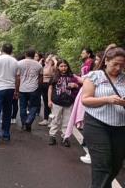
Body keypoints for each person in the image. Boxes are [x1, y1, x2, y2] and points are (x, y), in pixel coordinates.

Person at [82, 47, 125, 188]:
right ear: (106, 61)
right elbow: (86, 100)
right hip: (96, 124)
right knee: (102, 165)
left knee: (116, 164)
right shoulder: (95, 76)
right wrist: (107, 99)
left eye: (122, 65)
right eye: (115, 64)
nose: (118, 68)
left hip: (120, 127)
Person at [48, 59, 80, 147]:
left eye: (65, 66)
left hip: (69, 102)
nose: (63, 68)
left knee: (67, 120)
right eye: (61, 66)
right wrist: (49, 100)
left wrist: (75, 85)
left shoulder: (72, 77)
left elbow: (79, 86)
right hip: (56, 101)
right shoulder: (54, 77)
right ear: (58, 67)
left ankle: (65, 137)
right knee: (55, 119)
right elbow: (50, 89)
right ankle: (52, 136)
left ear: (68, 67)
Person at [17, 48, 43, 132]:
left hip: (22, 88)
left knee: (22, 107)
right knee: (34, 106)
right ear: (33, 54)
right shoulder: (39, 65)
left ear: (25, 54)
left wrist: (16, 89)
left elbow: (17, 77)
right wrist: (38, 87)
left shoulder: (19, 63)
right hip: (34, 88)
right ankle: (29, 121)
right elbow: (40, 78)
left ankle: (24, 123)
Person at [38, 54, 58, 126]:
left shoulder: (53, 66)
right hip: (43, 84)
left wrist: (55, 60)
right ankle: (46, 119)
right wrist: (41, 61)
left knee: (51, 102)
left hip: (51, 85)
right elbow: (38, 67)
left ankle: (52, 120)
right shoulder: (45, 65)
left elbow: (57, 68)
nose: (48, 59)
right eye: (48, 57)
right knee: (46, 102)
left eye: (50, 58)